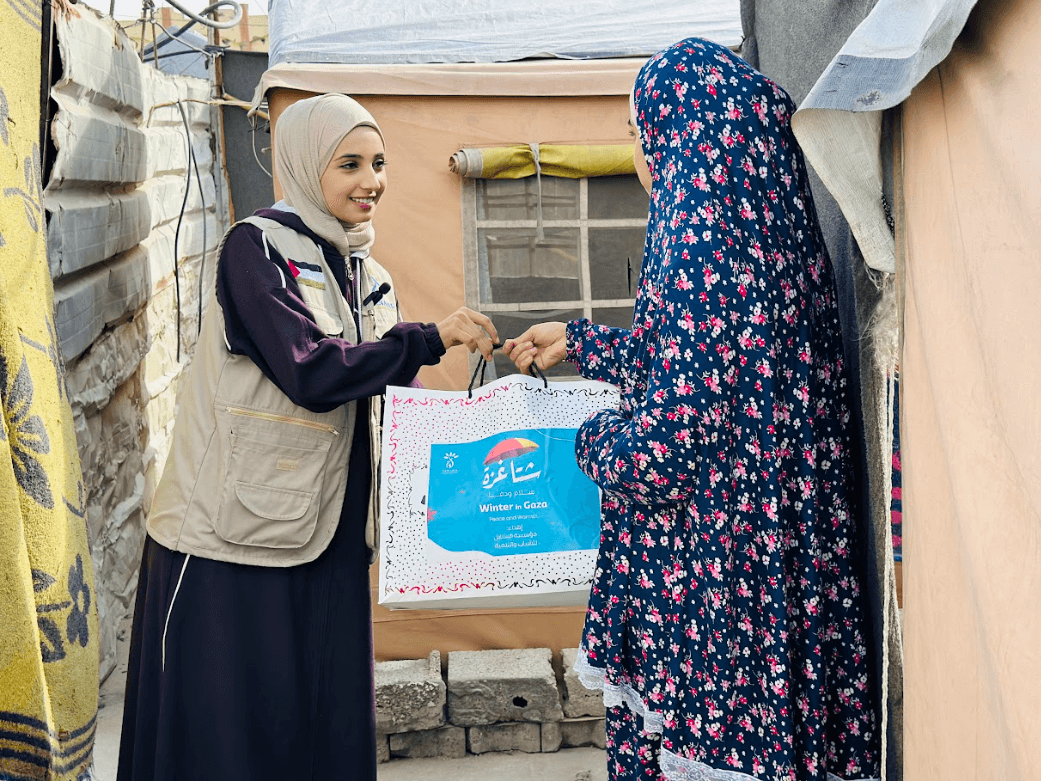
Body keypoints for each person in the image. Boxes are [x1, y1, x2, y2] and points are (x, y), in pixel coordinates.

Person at [505, 38, 881, 781]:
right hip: (779, 574)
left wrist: (587, 438)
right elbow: (722, 364)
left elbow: (662, 452)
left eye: (641, 135)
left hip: (716, 593)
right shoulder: (772, 232)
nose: (643, 156)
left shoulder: (690, 241)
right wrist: (584, 341)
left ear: (673, 135)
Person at [117, 94, 497, 781]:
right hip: (231, 537)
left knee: (317, 725)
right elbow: (309, 369)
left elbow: (390, 396)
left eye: (378, 163)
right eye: (348, 163)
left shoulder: (368, 274)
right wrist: (432, 337)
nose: (370, 181)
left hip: (331, 536)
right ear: (300, 166)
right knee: (229, 736)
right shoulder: (255, 247)